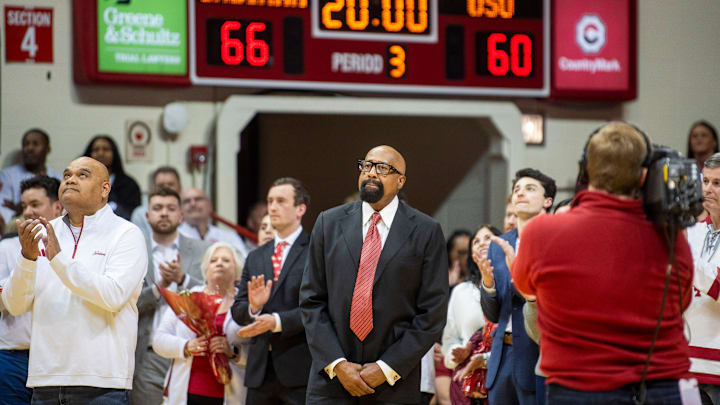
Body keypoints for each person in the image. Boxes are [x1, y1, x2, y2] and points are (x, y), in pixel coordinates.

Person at [512, 122, 696, 404]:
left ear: (586, 171)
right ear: (643, 176)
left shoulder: (542, 232)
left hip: (577, 390)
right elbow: (681, 300)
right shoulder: (669, 233)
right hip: (660, 388)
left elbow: (526, 286)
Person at [300, 145, 449, 404]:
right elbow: (311, 300)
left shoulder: (426, 231)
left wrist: (387, 367)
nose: (371, 173)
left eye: (382, 168)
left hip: (393, 385)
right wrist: (338, 364)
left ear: (400, 180)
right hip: (331, 381)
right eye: (366, 166)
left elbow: (432, 313)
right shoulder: (328, 222)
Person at [2, 157, 147, 404]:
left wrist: (58, 259)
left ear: (104, 189)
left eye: (82, 175)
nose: (70, 179)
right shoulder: (44, 232)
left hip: (101, 383)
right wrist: (27, 259)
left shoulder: (126, 234)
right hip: (44, 379)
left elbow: (112, 296)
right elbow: (15, 306)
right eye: (67, 174)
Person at [231, 178, 312, 405]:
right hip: (258, 372)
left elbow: (319, 307)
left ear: (300, 209)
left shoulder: (316, 250)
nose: (273, 207)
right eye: (270, 201)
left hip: (300, 370)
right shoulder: (255, 256)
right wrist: (254, 308)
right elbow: (238, 309)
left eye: (281, 201)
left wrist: (276, 321)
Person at [479, 168, 556, 405]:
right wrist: (488, 284)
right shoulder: (499, 244)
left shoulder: (556, 240)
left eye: (530, 189)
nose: (520, 193)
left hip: (536, 352)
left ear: (547, 201)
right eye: (517, 189)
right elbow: (493, 313)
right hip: (503, 354)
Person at [132, 188, 212, 405]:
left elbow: (215, 296)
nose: (164, 213)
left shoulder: (203, 250)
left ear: (181, 216)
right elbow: (125, 302)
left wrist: (183, 279)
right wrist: (160, 288)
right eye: (157, 208)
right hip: (147, 354)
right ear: (147, 216)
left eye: (170, 208)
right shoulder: (133, 249)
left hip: (193, 352)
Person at [153, 242, 248, 405]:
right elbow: (159, 340)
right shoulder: (187, 298)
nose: (219, 263)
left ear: (238, 269)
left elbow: (257, 351)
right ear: (205, 269)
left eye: (226, 260)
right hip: (186, 391)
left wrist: (233, 352)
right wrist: (186, 346)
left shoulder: (246, 303)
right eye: (213, 260)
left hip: (231, 393)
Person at [0, 176, 62, 404]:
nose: (27, 212)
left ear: (57, 207)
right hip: (13, 354)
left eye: (35, 205)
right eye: (24, 205)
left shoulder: (70, 249)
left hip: (54, 357)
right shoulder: (6, 248)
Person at [442, 225, 501, 405]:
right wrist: (455, 354)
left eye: (488, 238)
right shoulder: (461, 291)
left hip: (502, 376)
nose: (482, 243)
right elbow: (449, 339)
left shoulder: (512, 286)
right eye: (476, 241)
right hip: (466, 381)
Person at [686, 152, 720, 404]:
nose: (708, 189)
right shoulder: (691, 231)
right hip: (686, 364)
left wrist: (685, 262)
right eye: (705, 181)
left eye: (717, 183)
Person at [0, 129, 61, 229]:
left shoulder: (58, 178)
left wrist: (16, 207)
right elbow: (3, 211)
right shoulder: (6, 176)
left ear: (48, 149)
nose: (29, 148)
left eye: (35, 144)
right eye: (26, 144)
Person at [83, 135, 142, 220]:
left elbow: (133, 214)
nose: (101, 153)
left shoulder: (129, 185)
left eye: (106, 149)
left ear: (114, 154)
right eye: (96, 150)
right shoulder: (81, 182)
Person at [179, 187, 249, 257]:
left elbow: (243, 261)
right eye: (186, 201)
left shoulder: (229, 237)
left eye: (198, 199)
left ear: (210, 205)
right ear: (180, 209)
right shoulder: (175, 236)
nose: (193, 204)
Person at [131, 166, 183, 238]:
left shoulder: (189, 210)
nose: (165, 188)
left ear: (179, 187)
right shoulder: (140, 214)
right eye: (161, 185)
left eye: (170, 184)